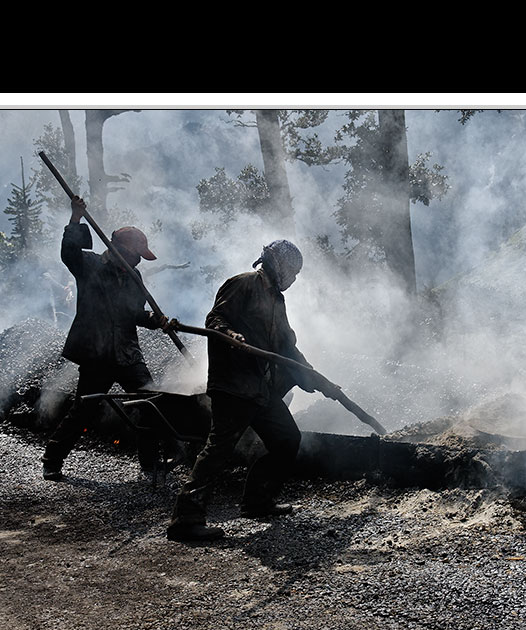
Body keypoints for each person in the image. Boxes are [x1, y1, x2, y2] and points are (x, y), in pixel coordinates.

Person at [166, 239, 330, 543]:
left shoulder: (277, 301)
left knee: (286, 440)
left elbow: (286, 347)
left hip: (259, 389)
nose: (293, 280)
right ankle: (185, 519)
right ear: (278, 265)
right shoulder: (242, 284)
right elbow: (214, 319)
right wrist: (231, 335)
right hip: (232, 384)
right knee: (218, 450)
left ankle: (257, 501)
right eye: (292, 272)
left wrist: (314, 377)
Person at [41, 196, 170, 481]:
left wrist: (155, 321)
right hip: (97, 353)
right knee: (84, 409)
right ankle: (52, 460)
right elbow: (69, 252)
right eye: (137, 254)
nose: (139, 260)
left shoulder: (134, 276)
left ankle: (149, 465)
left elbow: (135, 313)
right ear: (122, 250)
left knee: (150, 402)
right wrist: (76, 218)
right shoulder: (89, 265)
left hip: (126, 352)